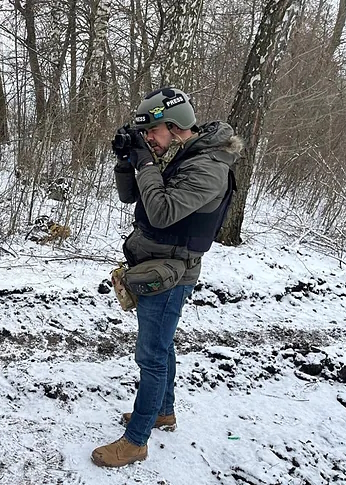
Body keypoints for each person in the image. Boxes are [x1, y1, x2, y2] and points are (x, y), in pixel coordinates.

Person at [91, 87, 242, 467]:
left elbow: (161, 212)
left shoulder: (208, 165)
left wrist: (145, 163)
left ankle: (137, 440)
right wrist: (130, 160)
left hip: (173, 273)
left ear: (173, 127)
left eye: (151, 134)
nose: (148, 141)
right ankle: (164, 412)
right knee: (162, 346)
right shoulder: (181, 154)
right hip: (156, 263)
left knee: (152, 355)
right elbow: (133, 197)